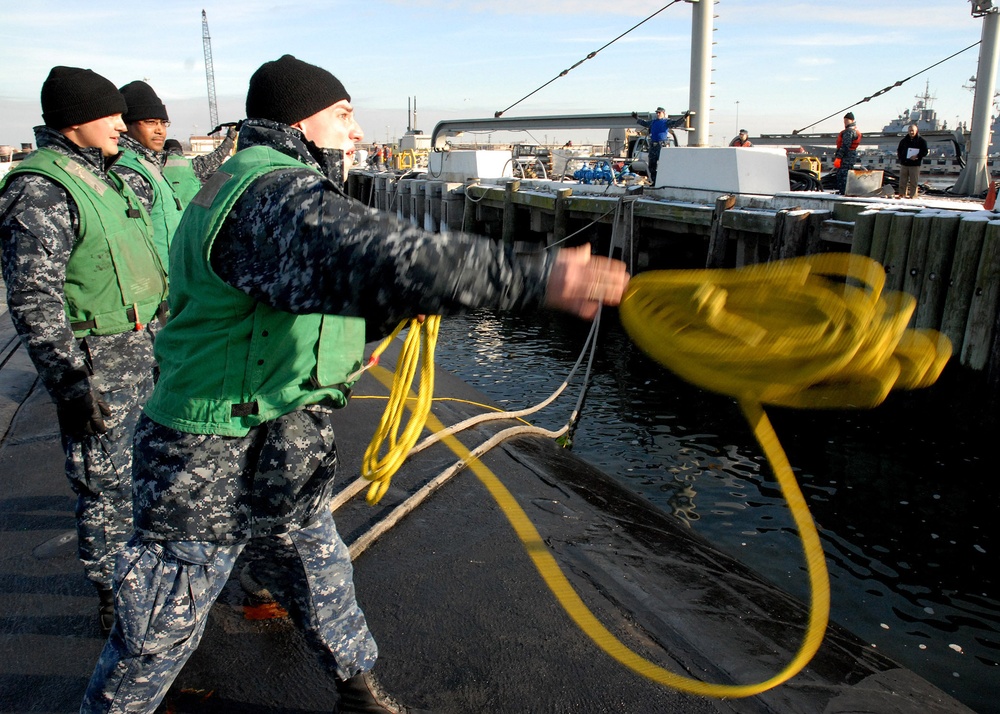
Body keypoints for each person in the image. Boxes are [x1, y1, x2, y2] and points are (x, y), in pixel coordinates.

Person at [81, 54, 628, 714]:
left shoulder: (247, 180)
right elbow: (382, 253)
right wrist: (536, 276)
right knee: (168, 608)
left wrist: (397, 303)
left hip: (279, 422)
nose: (356, 128)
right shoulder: (270, 193)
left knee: (314, 563)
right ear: (302, 119)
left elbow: (314, 290)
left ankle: (357, 687)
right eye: (343, 114)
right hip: (209, 442)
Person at [0, 67, 168, 636]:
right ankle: (114, 596)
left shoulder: (107, 177)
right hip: (97, 363)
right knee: (105, 485)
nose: (123, 123)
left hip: (143, 351)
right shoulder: (41, 188)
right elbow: (34, 296)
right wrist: (70, 382)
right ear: (75, 121)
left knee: (146, 474)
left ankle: (146, 579)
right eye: (111, 114)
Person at [114, 81, 236, 270]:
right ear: (125, 125)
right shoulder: (127, 171)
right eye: (150, 122)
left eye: (163, 122)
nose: (159, 129)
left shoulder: (150, 164)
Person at [631, 106, 691, 186]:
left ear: (663, 113)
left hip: (661, 145)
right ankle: (654, 182)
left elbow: (676, 123)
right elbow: (644, 123)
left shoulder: (666, 122)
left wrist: (684, 117)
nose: (658, 114)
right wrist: (637, 118)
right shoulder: (653, 122)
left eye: (659, 112)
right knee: (652, 165)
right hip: (653, 145)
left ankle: (665, 182)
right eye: (657, 113)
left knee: (663, 164)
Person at [896, 123, 929, 199]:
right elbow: (899, 150)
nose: (911, 132)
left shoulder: (921, 141)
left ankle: (913, 196)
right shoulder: (903, 141)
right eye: (910, 130)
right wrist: (901, 158)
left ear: (916, 131)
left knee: (914, 181)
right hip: (904, 164)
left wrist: (917, 156)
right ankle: (902, 194)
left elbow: (925, 151)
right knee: (902, 181)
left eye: (913, 131)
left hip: (914, 164)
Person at [833, 112, 861, 195]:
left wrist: (838, 157)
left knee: (843, 174)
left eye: (847, 120)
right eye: (844, 120)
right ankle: (844, 191)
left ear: (852, 120)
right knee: (846, 173)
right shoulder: (854, 130)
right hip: (850, 155)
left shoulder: (849, 131)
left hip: (846, 156)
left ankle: (844, 191)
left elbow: (845, 145)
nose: (845, 122)